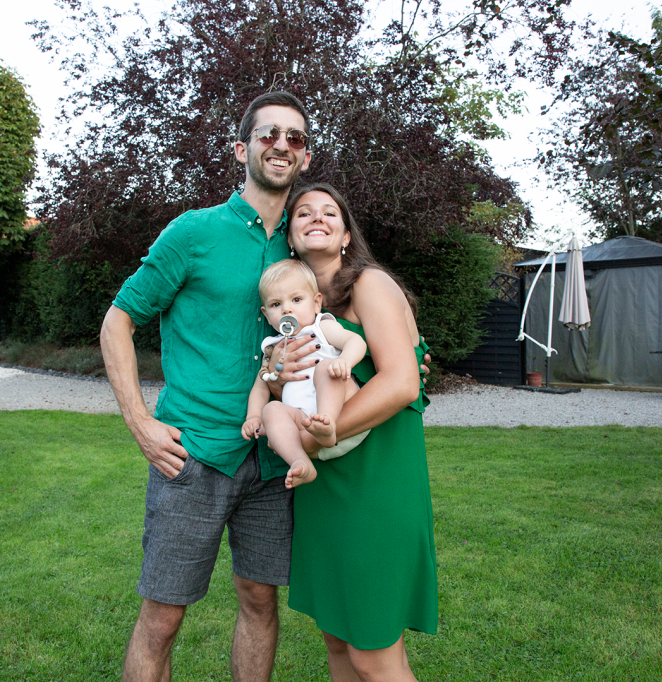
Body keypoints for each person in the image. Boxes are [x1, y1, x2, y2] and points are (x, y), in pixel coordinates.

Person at [99, 92, 321, 682]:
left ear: (305, 157)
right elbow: (118, 319)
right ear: (242, 146)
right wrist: (139, 421)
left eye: (294, 137)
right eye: (269, 133)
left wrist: (414, 359)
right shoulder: (194, 233)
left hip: (274, 459)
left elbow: (356, 316)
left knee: (259, 601)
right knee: (162, 618)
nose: (281, 144)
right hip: (191, 455)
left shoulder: (304, 244)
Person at [273, 183, 438, 681]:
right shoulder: (291, 309)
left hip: (379, 483)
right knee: (338, 638)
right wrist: (273, 375)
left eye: (330, 213)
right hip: (325, 492)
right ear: (291, 237)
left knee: (372, 652)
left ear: (346, 235)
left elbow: (403, 382)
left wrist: (308, 440)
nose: (316, 218)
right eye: (303, 212)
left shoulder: (370, 285)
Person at [242, 259, 367, 488]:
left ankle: (327, 425)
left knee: (324, 368)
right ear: (266, 313)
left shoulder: (321, 327)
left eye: (297, 300)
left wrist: (344, 361)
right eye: (276, 304)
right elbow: (261, 385)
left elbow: (355, 341)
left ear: (317, 303)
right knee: (272, 409)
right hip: (305, 426)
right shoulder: (272, 347)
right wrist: (253, 416)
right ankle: (299, 462)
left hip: (342, 412)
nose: (287, 309)